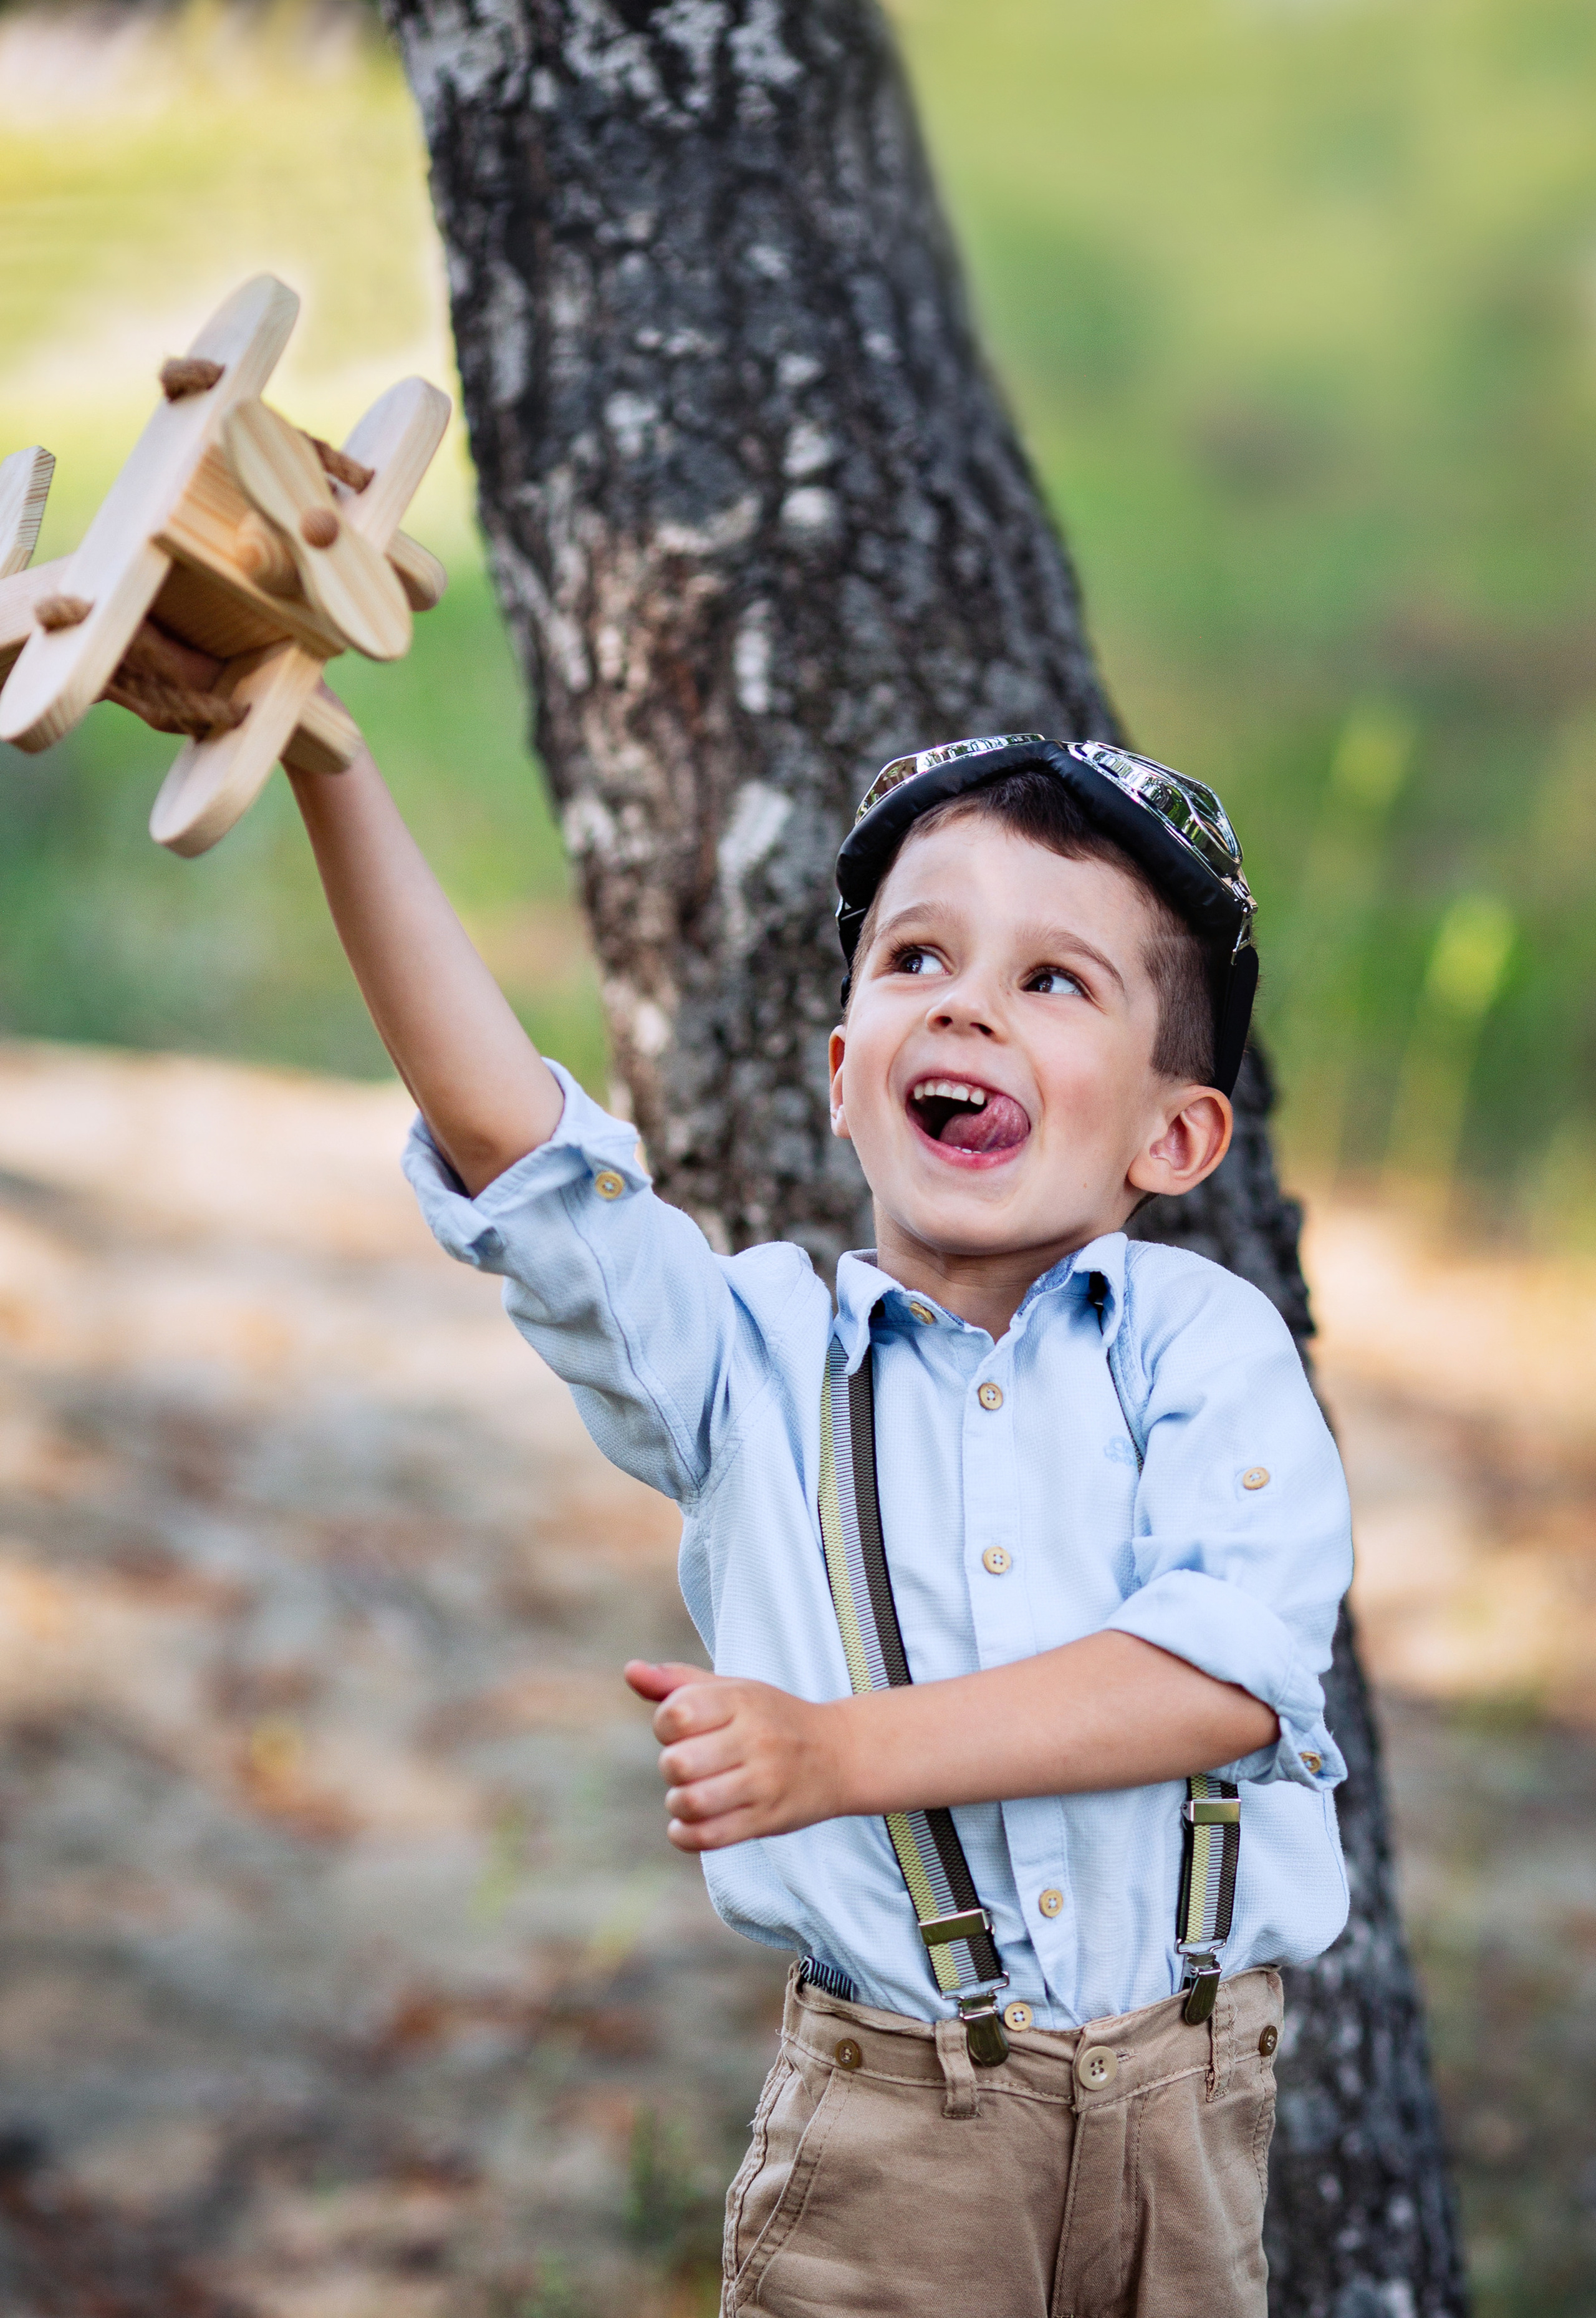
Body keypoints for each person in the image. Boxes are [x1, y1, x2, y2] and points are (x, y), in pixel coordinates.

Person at [286, 723, 1352, 2317]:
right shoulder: (748, 1366)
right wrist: (333, 770)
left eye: (1055, 980)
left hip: (1185, 2126)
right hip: (896, 2137)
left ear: (1173, 1135)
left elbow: (1222, 1677)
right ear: (845, 1069)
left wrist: (835, 1755)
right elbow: (521, 1148)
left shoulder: (1200, 1346)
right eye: (917, 954)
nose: (967, 1000)